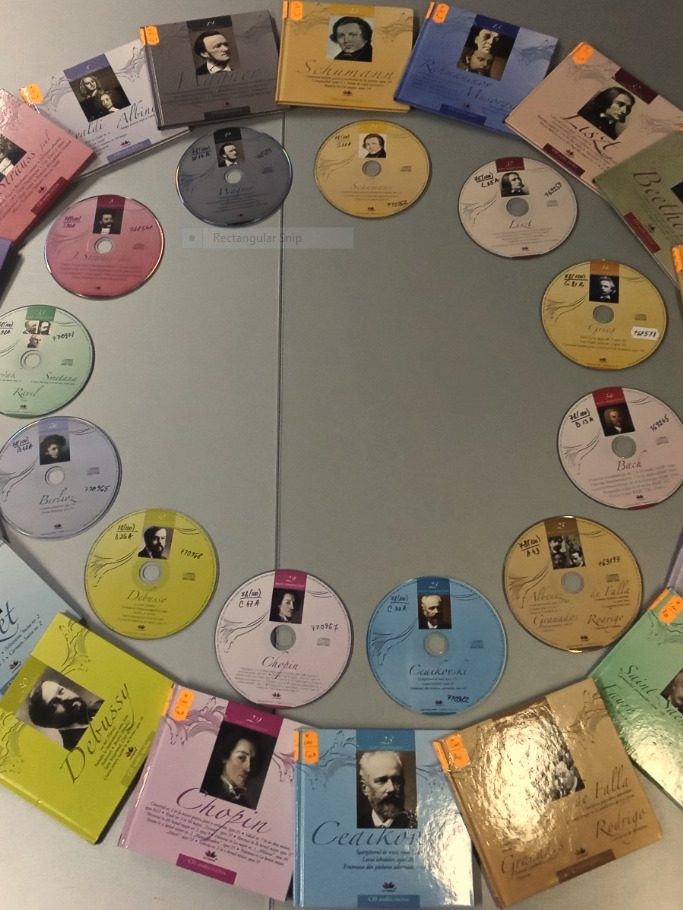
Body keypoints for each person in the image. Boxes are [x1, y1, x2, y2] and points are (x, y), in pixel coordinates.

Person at [27, 678, 103, 751]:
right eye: (54, 705)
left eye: (61, 691)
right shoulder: (77, 748)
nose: (65, 698)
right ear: (49, 722)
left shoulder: (99, 705)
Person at [357, 751, 417, 828]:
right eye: (381, 781)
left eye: (397, 780)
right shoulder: (358, 824)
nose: (391, 789)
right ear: (365, 788)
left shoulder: (415, 824)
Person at [202, 729, 259, 807]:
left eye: (252, 761)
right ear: (225, 757)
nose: (248, 769)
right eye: (241, 758)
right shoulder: (206, 789)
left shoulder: (244, 803)